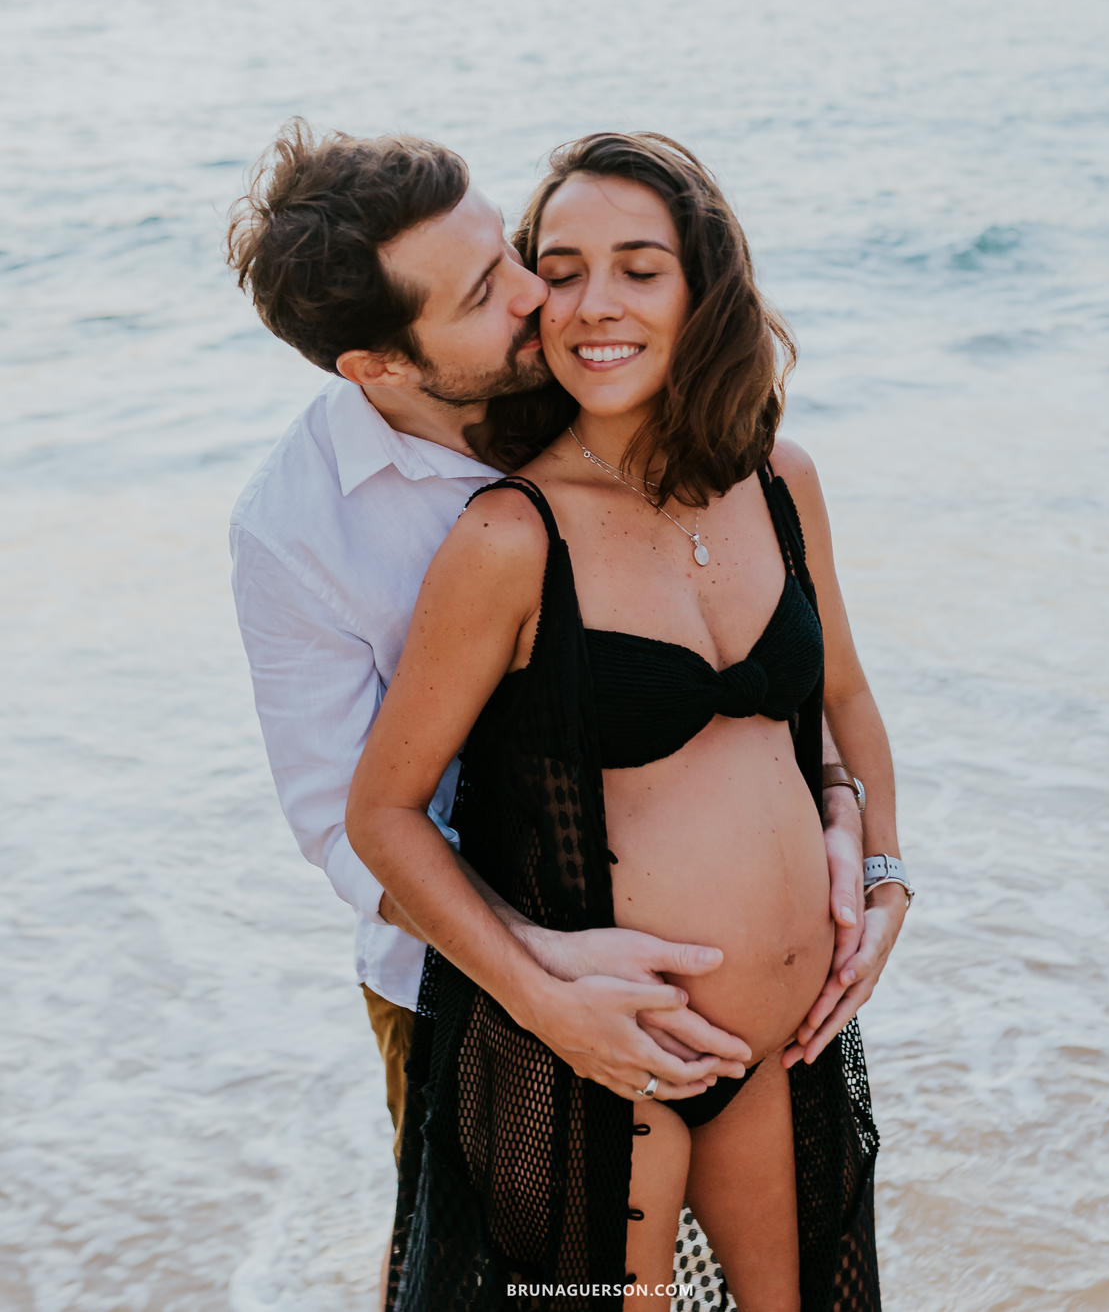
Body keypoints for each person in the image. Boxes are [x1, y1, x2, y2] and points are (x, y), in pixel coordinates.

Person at [227, 124, 880, 1304]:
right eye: (494, 289)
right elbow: (351, 822)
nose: (544, 297)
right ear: (380, 364)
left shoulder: (603, 385)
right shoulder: (302, 529)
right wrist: (547, 992)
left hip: (757, 1045)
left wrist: (857, 832)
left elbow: (786, 669)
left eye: (513, 250)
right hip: (466, 985)